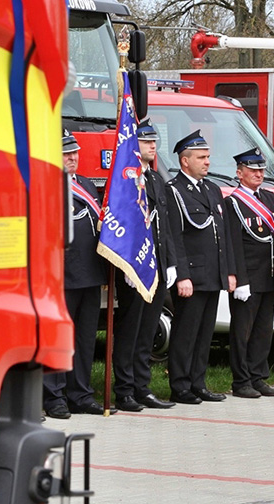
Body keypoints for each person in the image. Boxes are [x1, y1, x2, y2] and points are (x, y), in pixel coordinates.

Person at [44, 129, 113, 418]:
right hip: (63, 276)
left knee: (84, 340)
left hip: (90, 275)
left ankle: (80, 393)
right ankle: (53, 396)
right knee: (60, 339)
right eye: (66, 153)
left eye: (74, 152)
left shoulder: (84, 183)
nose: (72, 157)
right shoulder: (47, 185)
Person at [111, 119, 177, 412]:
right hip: (135, 266)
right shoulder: (126, 179)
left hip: (156, 266)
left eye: (154, 141)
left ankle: (142, 387)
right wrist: (125, 264)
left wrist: (171, 264)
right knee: (129, 331)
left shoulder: (155, 179)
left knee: (147, 332)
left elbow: (165, 227)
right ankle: (124, 390)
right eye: (145, 141)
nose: (152, 145)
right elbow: (123, 222)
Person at [166, 130, 234, 404]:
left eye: (207, 157)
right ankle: (180, 386)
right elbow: (175, 236)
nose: (207, 162)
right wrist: (182, 275)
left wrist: (228, 271)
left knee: (205, 333)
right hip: (192, 275)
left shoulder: (212, 189)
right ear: (185, 161)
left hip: (212, 274)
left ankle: (198, 382)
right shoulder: (175, 191)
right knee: (186, 333)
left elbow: (223, 234)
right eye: (201, 157)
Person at [226, 148, 274, 398]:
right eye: (253, 169)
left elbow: (273, 232)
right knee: (242, 331)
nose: (258, 173)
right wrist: (239, 279)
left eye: (261, 169)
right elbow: (233, 243)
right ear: (239, 172)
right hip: (248, 278)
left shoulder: (267, 197)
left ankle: (258, 377)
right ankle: (241, 380)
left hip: (269, 274)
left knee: (263, 331)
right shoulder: (233, 202)